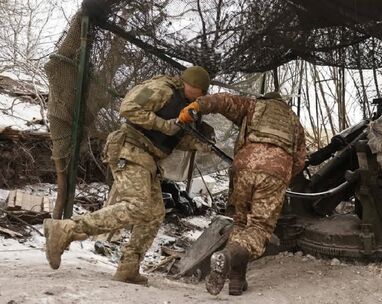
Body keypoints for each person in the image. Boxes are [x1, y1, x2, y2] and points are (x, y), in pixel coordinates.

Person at [44, 66, 212, 285]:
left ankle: (129, 267)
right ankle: (66, 229)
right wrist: (164, 125)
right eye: (200, 92)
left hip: (149, 158)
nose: (201, 97)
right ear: (192, 86)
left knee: (153, 214)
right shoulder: (163, 90)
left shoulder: (187, 107)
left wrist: (201, 143)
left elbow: (175, 137)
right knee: (138, 206)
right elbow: (128, 108)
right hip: (130, 147)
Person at [178, 91, 306, 295]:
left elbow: (224, 101)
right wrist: (282, 177)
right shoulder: (294, 122)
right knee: (259, 228)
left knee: (240, 223)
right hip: (275, 171)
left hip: (243, 167)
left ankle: (237, 281)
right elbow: (300, 159)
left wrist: (197, 106)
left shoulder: (254, 106)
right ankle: (227, 256)